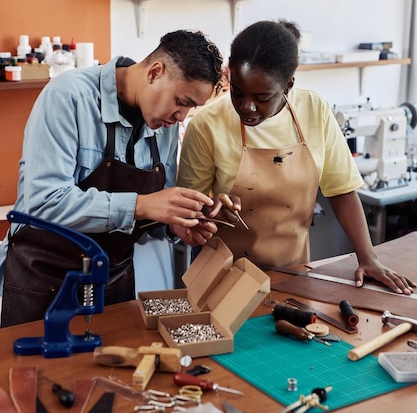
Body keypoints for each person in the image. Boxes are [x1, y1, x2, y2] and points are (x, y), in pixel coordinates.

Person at [0, 29, 221, 326]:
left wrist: (176, 224)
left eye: (191, 108)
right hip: (42, 284)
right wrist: (140, 206)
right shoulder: (68, 96)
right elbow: (45, 201)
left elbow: (154, 210)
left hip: (114, 285)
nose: (182, 116)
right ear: (155, 72)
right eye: (181, 101)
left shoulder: (165, 127)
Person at [177, 20, 416, 295]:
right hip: (222, 277)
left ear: (288, 84)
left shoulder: (314, 109)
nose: (247, 106)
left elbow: (341, 191)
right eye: (238, 92)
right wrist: (212, 210)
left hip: (292, 274)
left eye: (262, 97)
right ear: (229, 72)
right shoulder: (207, 125)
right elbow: (187, 212)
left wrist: (368, 258)